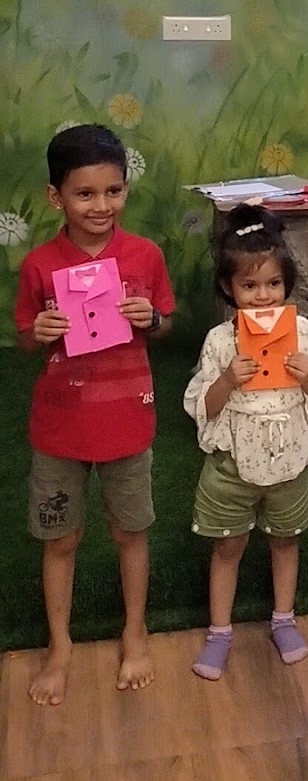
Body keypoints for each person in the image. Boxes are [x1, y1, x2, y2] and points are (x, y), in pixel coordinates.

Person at [14, 124, 175, 706]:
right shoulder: (39, 265)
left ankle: (135, 630)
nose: (101, 205)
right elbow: (24, 338)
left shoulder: (145, 255)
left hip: (128, 421)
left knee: (130, 532)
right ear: (55, 197)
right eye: (84, 194)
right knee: (61, 539)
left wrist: (150, 319)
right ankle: (60, 644)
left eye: (113, 191)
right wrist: (38, 331)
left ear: (125, 189)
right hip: (60, 428)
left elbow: (165, 323)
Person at [184, 204, 308, 677]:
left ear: (287, 284)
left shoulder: (304, 333)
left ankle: (284, 620)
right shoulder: (219, 340)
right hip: (232, 464)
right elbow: (202, 406)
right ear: (229, 287)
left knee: (285, 542)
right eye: (249, 286)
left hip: (289, 460)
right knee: (227, 547)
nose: (262, 296)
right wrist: (229, 379)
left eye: (273, 284)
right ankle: (219, 632)